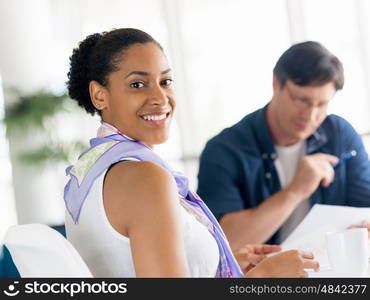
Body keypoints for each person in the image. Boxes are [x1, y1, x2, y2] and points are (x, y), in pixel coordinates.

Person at [63, 28, 318, 278]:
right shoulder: (143, 178)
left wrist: (218, 265)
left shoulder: (92, 170)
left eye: (165, 81)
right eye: (137, 84)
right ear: (99, 96)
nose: (160, 98)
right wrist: (264, 277)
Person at [197, 41, 370, 251]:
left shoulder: (341, 135)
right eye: (301, 100)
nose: (310, 115)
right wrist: (296, 191)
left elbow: (364, 208)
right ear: (276, 83)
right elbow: (227, 243)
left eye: (322, 104)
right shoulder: (224, 150)